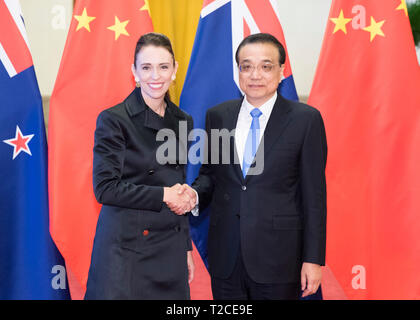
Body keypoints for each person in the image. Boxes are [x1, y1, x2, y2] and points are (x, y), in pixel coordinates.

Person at [179, 33, 327, 300]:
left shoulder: (306, 120)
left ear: (281, 71)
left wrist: (313, 259)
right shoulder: (219, 115)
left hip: (281, 259)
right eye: (246, 66)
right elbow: (211, 175)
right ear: (238, 72)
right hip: (227, 256)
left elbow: (314, 197)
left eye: (266, 66)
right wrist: (194, 194)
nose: (255, 74)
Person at [85, 33, 196, 300]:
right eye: (146, 67)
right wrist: (164, 194)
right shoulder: (114, 120)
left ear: (175, 70)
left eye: (163, 67)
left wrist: (186, 248)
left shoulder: (183, 120)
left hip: (169, 249)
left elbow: (177, 182)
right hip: (125, 252)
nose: (155, 76)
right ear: (134, 71)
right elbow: (105, 189)